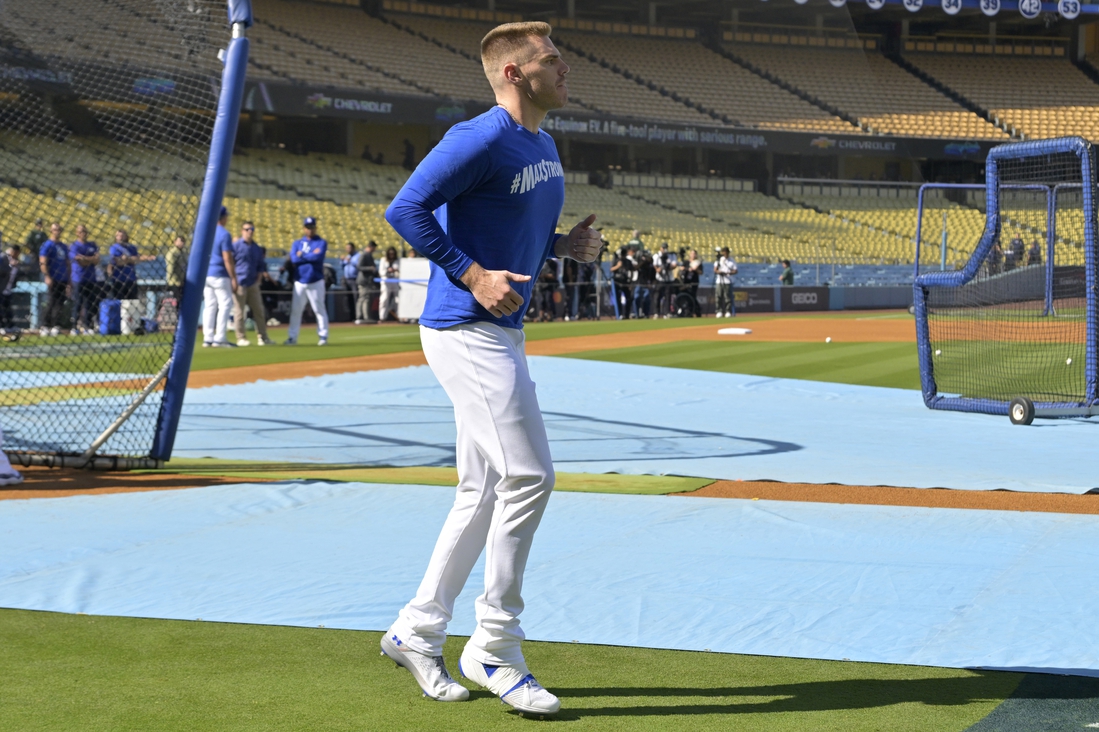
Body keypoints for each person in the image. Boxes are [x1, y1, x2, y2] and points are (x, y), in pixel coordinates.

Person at [382, 20, 601, 716]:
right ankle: (494, 645)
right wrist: (472, 274)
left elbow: (513, 228)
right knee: (529, 475)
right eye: (551, 61)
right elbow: (405, 209)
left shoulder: (541, 140)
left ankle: (416, 631)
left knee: (480, 493)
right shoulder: (477, 138)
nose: (565, 70)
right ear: (514, 73)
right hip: (464, 328)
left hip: (500, 329)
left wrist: (564, 245)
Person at [285, 216, 328, 346]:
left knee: (319, 310)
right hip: (300, 281)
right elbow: (294, 259)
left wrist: (302, 255)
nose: (310, 230)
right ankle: (292, 337)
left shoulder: (321, 242)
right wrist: (308, 256)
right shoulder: (297, 243)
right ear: (304, 228)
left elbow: (318, 257)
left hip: (315, 280)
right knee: (296, 311)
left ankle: (323, 336)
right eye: (308, 227)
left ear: (315, 228)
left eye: (312, 227)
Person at [231, 221, 272, 346]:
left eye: (252, 229)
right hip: (240, 282)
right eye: (247, 229)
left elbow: (261, 266)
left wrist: (258, 280)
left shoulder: (256, 248)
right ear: (242, 230)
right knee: (239, 312)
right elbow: (230, 263)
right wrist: (233, 280)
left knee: (259, 311)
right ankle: (241, 337)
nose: (250, 232)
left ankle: (263, 337)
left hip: (253, 283)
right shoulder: (236, 246)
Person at [203, 206, 237, 348]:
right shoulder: (224, 234)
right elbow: (227, 258)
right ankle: (220, 338)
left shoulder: (206, 231)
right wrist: (234, 277)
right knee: (225, 305)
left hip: (206, 274)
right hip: (220, 274)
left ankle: (208, 338)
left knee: (210, 305)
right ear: (223, 218)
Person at [69, 224, 100, 335]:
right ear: (77, 233)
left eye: (85, 231)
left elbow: (97, 260)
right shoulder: (74, 246)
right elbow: (79, 261)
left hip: (91, 278)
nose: (83, 233)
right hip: (78, 278)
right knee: (78, 303)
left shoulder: (92, 245)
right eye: (81, 231)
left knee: (90, 303)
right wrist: (90, 259)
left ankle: (87, 325)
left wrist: (85, 258)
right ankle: (74, 327)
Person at [38, 223, 68, 336]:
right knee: (51, 301)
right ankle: (45, 325)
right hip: (53, 277)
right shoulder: (47, 245)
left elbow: (67, 263)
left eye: (59, 229)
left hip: (63, 277)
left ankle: (56, 324)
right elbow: (43, 261)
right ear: (51, 231)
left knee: (60, 302)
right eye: (55, 229)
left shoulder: (63, 246)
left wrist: (69, 279)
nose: (57, 231)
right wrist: (47, 276)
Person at [107, 229, 141, 301]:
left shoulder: (132, 248)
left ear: (126, 237)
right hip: (118, 279)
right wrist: (131, 259)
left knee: (132, 301)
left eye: (122, 235)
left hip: (131, 279)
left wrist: (126, 259)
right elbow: (117, 261)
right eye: (118, 236)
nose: (120, 237)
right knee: (119, 301)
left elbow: (137, 260)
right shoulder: (114, 248)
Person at [356, 240, 378, 324]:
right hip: (363, 281)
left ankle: (362, 317)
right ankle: (363, 317)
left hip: (366, 281)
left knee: (364, 298)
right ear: (371, 247)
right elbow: (359, 267)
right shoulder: (364, 254)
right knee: (364, 299)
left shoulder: (368, 255)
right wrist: (370, 268)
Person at [653, 242, 677, 318]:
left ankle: (667, 312)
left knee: (668, 296)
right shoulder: (657, 256)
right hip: (660, 279)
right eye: (663, 248)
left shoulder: (671, 255)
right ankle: (656, 312)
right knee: (657, 296)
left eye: (665, 248)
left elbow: (674, 265)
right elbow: (656, 268)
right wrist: (661, 268)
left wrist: (668, 266)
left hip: (668, 278)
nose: (664, 249)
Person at [0, 244, 19, 332]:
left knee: (8, 309)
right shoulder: (4, 258)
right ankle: (2, 326)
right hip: (1, 288)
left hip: (8, 288)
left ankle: (10, 326)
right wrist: (10, 266)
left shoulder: (16, 260)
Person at [714, 246, 737, 318]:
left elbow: (735, 270)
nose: (725, 253)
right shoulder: (719, 260)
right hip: (719, 280)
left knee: (728, 297)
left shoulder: (732, 260)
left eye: (726, 252)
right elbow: (715, 269)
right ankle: (719, 311)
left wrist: (729, 273)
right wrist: (719, 272)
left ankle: (728, 311)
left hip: (728, 280)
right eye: (724, 252)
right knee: (718, 296)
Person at [378, 246, 400, 322]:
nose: (391, 255)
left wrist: (395, 270)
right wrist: (388, 271)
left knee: (398, 299)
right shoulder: (383, 260)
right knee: (384, 299)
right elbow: (381, 272)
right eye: (390, 253)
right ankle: (382, 317)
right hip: (386, 281)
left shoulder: (397, 260)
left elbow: (401, 270)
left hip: (395, 281)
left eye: (393, 253)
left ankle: (399, 316)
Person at [340, 242, 359, 321]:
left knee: (355, 298)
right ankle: (350, 316)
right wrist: (342, 261)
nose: (348, 250)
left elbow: (358, 265)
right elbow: (343, 266)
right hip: (346, 279)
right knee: (348, 299)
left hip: (354, 279)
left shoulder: (357, 256)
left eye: (349, 248)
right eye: (347, 248)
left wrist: (350, 260)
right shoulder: (347, 256)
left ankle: (357, 316)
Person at [165, 235, 187, 303]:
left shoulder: (182, 253)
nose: (181, 243)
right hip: (174, 282)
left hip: (181, 281)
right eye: (179, 241)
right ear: (175, 242)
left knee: (181, 301)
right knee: (177, 301)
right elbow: (170, 268)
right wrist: (175, 281)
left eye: (183, 242)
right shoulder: (173, 253)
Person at [634, 249, 654, 319]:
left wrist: (651, 284)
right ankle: (637, 314)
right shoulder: (640, 264)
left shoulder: (650, 266)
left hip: (646, 284)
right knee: (636, 298)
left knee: (647, 299)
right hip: (639, 283)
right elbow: (635, 268)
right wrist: (642, 262)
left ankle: (646, 314)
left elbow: (653, 277)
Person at [683, 248, 702, 317]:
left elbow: (701, 272)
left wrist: (696, 269)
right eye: (692, 253)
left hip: (694, 282)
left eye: (694, 254)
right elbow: (682, 268)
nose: (693, 255)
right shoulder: (686, 262)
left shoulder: (698, 262)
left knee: (692, 296)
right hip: (686, 282)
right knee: (688, 297)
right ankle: (690, 311)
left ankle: (697, 310)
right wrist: (687, 269)